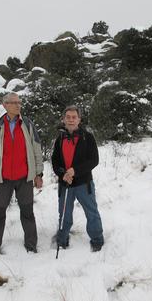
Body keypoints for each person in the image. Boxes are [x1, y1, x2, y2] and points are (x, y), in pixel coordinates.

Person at [0, 92, 43, 254]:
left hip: (24, 178)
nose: (18, 105)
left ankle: (31, 245)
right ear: (5, 105)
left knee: (27, 213)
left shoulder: (27, 124)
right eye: (14, 102)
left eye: (19, 102)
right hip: (3, 179)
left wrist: (39, 174)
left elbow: (37, 149)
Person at [52, 105, 104, 252]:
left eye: (74, 117)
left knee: (91, 212)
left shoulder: (88, 137)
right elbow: (55, 161)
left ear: (79, 120)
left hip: (83, 183)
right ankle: (62, 239)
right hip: (65, 184)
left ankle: (97, 239)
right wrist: (63, 174)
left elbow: (94, 160)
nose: (71, 120)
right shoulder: (60, 139)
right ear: (63, 119)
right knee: (64, 213)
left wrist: (75, 171)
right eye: (68, 117)